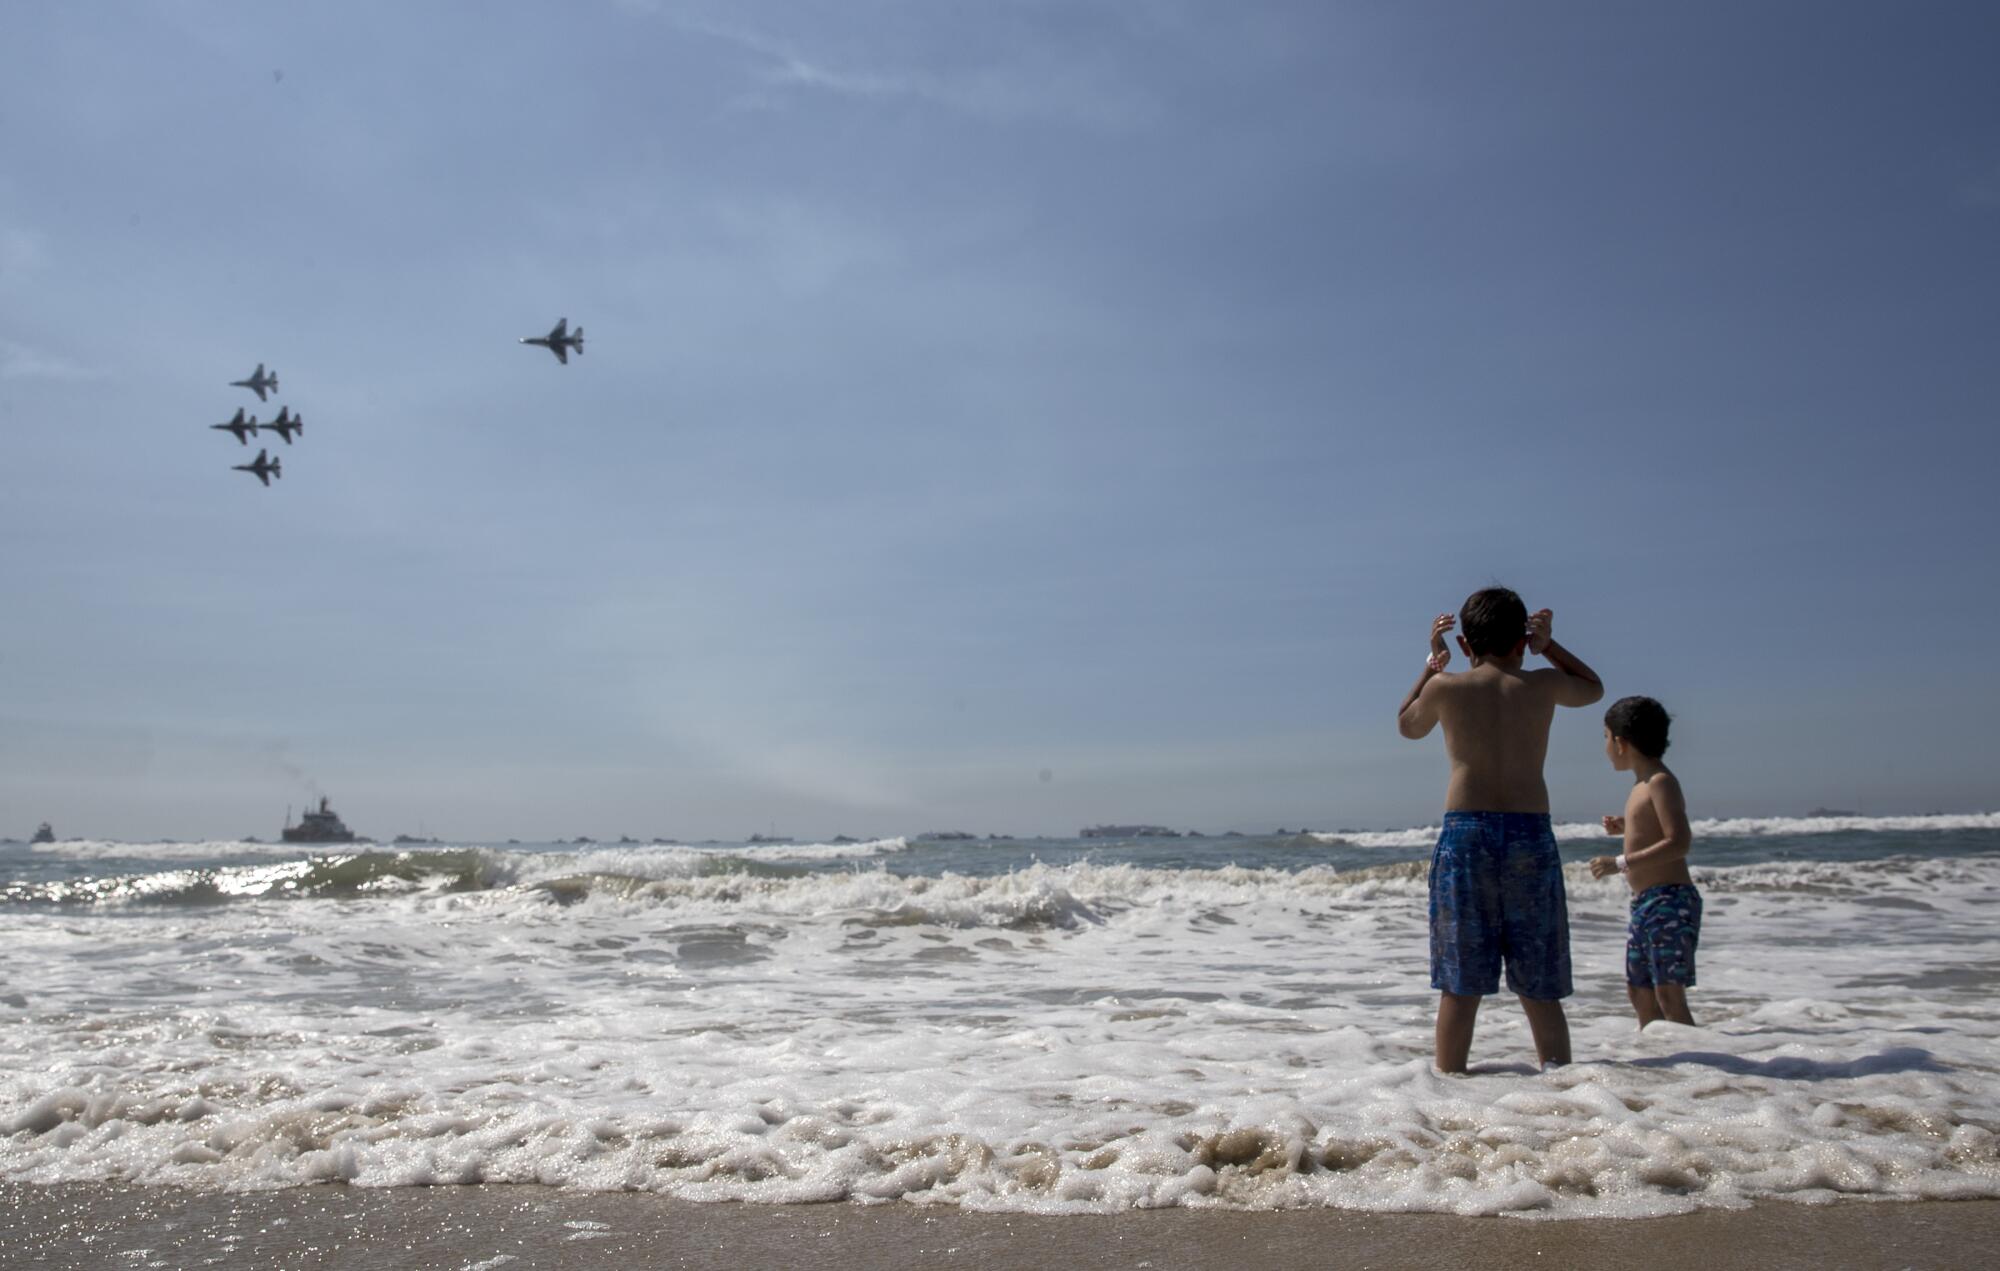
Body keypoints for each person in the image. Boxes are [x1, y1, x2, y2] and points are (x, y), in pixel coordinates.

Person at [1397, 587, 1603, 1073]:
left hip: (1468, 834)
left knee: (1461, 982)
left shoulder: (1447, 686)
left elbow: (1407, 725)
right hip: (1531, 834)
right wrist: (1548, 646)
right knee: (1540, 984)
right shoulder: (1543, 684)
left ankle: (1449, 1085)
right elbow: (1592, 686)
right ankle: (1563, 1087)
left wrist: (1431, 664)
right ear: (1522, 639)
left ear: (1466, 644)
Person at [1589, 697, 1699, 1027]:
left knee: (1668, 994)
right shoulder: (1642, 785)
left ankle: (1700, 1068)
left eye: (1605, 736)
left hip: (1670, 900)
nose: (1605, 745)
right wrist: (1628, 826)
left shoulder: (1661, 782)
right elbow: (1655, 828)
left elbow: (1679, 842)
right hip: (1646, 903)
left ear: (1621, 742)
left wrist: (1620, 862)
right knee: (1639, 992)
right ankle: (1662, 1064)